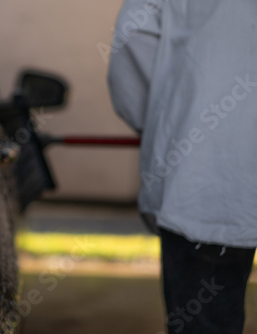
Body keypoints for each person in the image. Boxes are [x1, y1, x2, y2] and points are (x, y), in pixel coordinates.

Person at [108, 1, 257, 333]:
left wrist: (169, 119)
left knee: (204, 323)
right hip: (210, 178)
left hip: (206, 177)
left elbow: (133, 38)